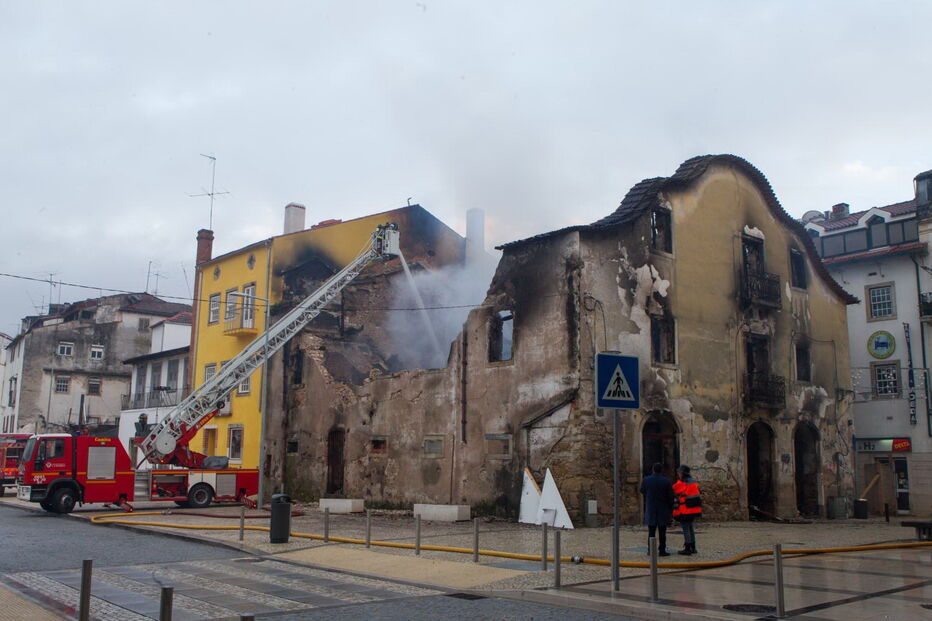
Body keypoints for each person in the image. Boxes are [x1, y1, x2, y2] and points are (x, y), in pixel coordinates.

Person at [639, 462, 674, 556]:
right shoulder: (666, 481)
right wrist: (671, 508)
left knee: (651, 531)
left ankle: (650, 549)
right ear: (661, 470)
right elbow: (670, 496)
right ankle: (662, 550)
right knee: (662, 532)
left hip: (651, 507)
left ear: (653, 470)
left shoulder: (646, 480)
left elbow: (642, 490)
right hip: (663, 508)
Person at [673, 464, 702, 555]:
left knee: (685, 528)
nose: (678, 474)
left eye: (679, 473)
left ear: (682, 473)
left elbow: (673, 489)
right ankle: (693, 547)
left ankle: (688, 548)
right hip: (694, 510)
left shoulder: (682, 483)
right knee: (690, 528)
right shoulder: (694, 482)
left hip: (686, 510)